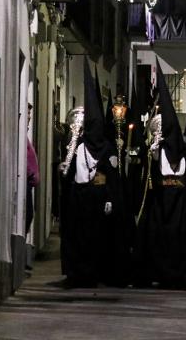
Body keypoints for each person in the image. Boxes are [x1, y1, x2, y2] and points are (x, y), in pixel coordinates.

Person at [60, 63, 131, 288]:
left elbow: (112, 177)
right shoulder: (78, 147)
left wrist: (110, 198)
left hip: (100, 200)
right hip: (80, 198)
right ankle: (79, 272)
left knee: (98, 239)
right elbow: (68, 171)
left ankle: (98, 271)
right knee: (79, 237)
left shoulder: (108, 149)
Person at [132, 61, 186, 289]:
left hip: (180, 203)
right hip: (161, 201)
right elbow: (149, 179)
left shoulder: (185, 151)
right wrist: (151, 154)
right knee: (158, 238)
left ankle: (179, 274)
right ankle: (158, 272)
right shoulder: (156, 150)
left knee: (178, 239)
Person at [26, 104, 40, 241]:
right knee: (27, 214)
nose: (29, 117)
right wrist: (30, 173)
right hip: (25, 184)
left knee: (29, 215)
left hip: (29, 185)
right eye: (28, 113)